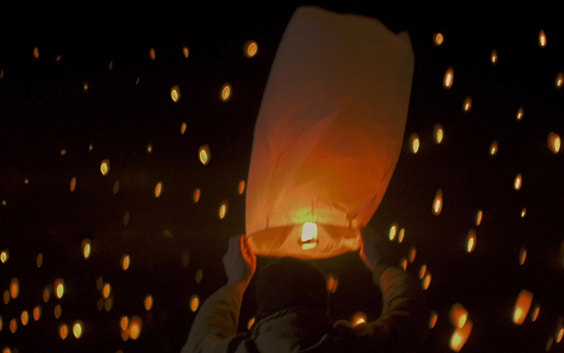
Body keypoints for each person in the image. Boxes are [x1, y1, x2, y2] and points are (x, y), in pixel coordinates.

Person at [181, 229, 430, 353]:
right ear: (325, 306)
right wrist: (382, 266)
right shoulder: (352, 348)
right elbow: (410, 316)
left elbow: (199, 343)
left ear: (262, 311)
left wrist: (235, 282)